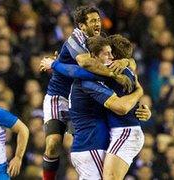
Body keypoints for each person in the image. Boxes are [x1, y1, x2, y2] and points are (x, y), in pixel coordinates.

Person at [40, 6, 133, 180]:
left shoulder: (101, 41)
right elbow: (86, 65)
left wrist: (125, 61)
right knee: (54, 144)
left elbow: (125, 56)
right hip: (60, 95)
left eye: (98, 20)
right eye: (92, 21)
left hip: (83, 98)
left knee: (84, 143)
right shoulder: (75, 38)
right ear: (82, 26)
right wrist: (114, 74)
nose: (98, 24)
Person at [69, 36, 149, 179]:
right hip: (118, 132)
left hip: (125, 132)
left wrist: (54, 64)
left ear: (116, 58)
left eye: (111, 53)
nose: (110, 56)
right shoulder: (122, 69)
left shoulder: (116, 71)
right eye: (107, 53)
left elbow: (122, 107)